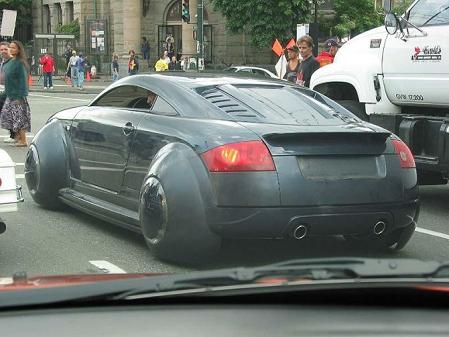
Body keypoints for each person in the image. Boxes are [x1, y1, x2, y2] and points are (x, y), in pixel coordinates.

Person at [0, 40, 31, 147]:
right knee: (7, 116)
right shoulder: (10, 62)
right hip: (10, 94)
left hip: (18, 95)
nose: (11, 49)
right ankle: (17, 137)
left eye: (14, 48)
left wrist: (21, 95)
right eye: (11, 47)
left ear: (18, 50)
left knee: (19, 117)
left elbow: (23, 80)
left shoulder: (19, 63)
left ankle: (23, 140)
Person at [0, 41, 15, 143]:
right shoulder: (3, 61)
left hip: (10, 91)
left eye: (5, 49)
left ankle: (14, 135)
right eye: (1, 49)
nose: (3, 51)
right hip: (2, 90)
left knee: (10, 114)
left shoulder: (13, 62)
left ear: (10, 49)